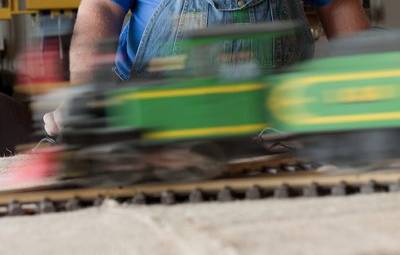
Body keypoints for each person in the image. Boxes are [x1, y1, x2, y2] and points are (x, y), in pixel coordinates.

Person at [43, 0, 370, 136]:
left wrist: (367, 94)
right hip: (155, 130)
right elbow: (100, 7)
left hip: (280, 127)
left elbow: (340, 5)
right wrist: (85, 95)